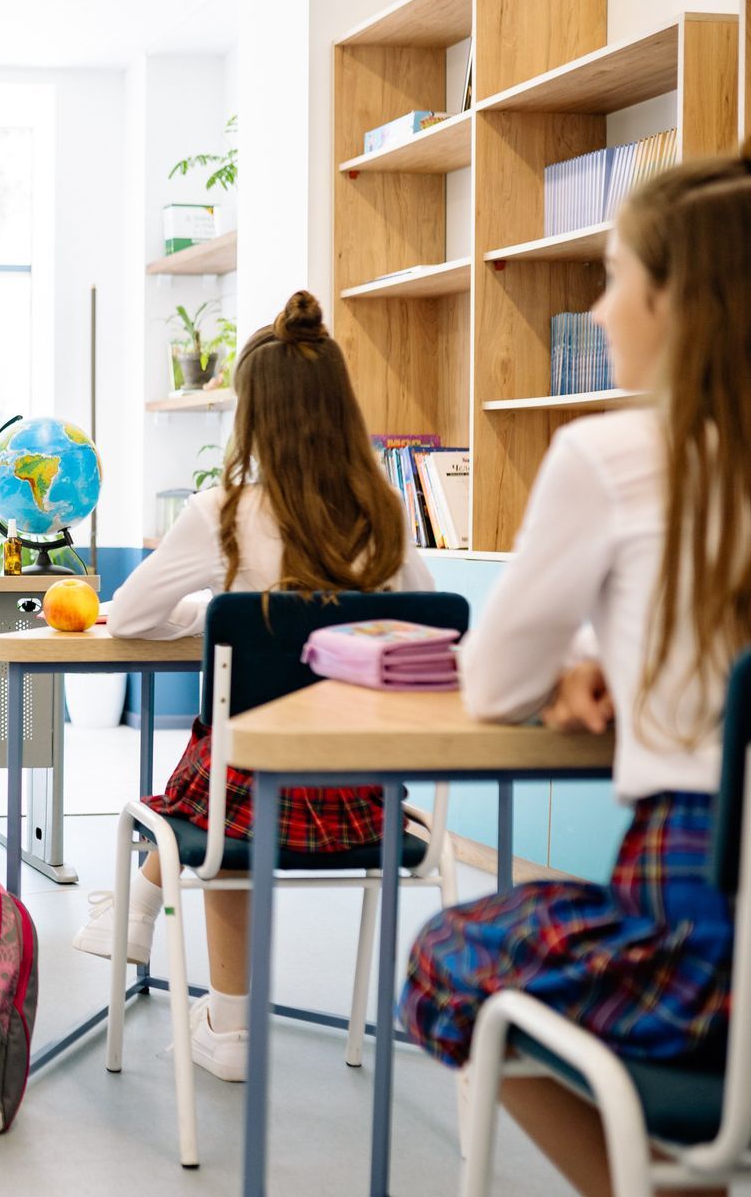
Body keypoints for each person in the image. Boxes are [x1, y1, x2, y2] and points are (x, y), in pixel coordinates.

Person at [399, 147, 751, 1197]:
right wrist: (608, 649)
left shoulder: (612, 453)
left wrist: (570, 663)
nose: (596, 312)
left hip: (703, 937)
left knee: (449, 959)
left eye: (610, 276)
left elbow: (498, 683)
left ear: (675, 298)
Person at [81, 289, 433, 1081]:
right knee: (236, 766)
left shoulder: (226, 512)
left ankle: (227, 1023)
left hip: (241, 802)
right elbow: (427, 625)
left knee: (228, 766)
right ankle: (144, 926)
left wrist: (218, 612)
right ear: (341, 410)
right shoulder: (385, 513)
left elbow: (132, 612)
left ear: (252, 417)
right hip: (364, 799)